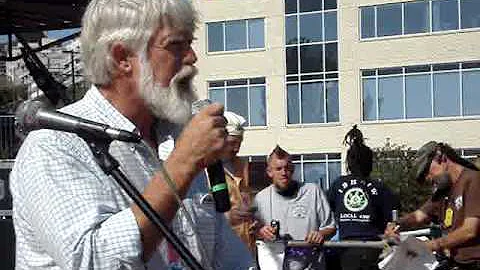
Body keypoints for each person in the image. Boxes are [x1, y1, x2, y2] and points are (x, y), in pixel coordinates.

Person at [9, 0, 254, 269]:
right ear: (122, 58)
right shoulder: (54, 146)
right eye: (176, 45)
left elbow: (228, 258)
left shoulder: (175, 139)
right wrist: (183, 164)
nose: (192, 57)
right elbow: (93, 262)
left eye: (190, 43)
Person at [384, 141, 480, 270]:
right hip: (457, 263)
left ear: (442, 157)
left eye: (426, 171)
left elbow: (470, 230)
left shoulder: (473, 180)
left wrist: (432, 245)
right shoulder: (444, 191)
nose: (428, 178)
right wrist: (397, 224)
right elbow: (419, 215)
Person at [327, 125, 399, 270]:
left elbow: (326, 214)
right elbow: (392, 221)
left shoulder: (338, 184)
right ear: (369, 163)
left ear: (349, 163)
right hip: (372, 250)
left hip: (347, 250)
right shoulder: (380, 188)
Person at [253, 145, 336, 270]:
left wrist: (320, 234)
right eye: (278, 169)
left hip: (311, 265)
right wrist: (261, 231)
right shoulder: (261, 198)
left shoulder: (313, 191)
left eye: (287, 168)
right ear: (269, 172)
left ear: (293, 169)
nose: (284, 173)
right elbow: (254, 231)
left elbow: (331, 227)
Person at [222, 111, 256, 254]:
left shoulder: (241, 166)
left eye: (240, 143)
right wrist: (228, 217)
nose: (237, 148)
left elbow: (246, 199)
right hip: (223, 246)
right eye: (232, 143)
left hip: (246, 244)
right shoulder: (206, 167)